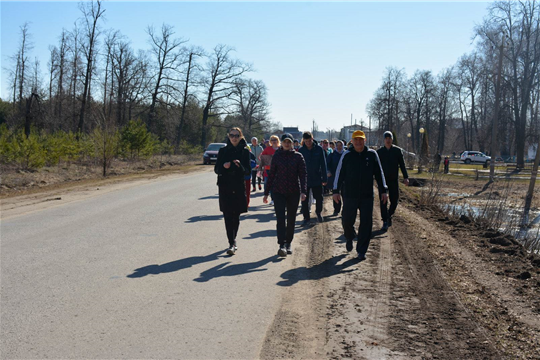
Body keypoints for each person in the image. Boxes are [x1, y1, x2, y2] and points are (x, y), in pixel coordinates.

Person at [333, 130, 388, 261]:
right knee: (346, 220)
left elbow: (379, 174)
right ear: (352, 141)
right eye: (356, 140)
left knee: (366, 223)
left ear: (365, 140)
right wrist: (335, 190)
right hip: (350, 195)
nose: (358, 142)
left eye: (361, 139)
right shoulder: (347, 155)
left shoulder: (372, 154)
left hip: (367, 196)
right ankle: (349, 236)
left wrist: (383, 190)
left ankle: (361, 251)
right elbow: (339, 173)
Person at [264, 133, 307, 257]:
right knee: (280, 218)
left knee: (291, 218)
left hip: (293, 192)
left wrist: (303, 191)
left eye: (289, 142)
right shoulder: (277, 156)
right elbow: (271, 174)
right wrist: (266, 193)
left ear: (292, 143)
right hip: (278, 191)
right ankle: (281, 244)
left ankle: (288, 243)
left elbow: (303, 175)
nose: (287, 144)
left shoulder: (298, 157)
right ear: (281, 143)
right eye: (285, 142)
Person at [215, 127, 251, 255]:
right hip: (225, 186)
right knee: (227, 214)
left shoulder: (245, 151)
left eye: (236, 135)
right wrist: (224, 166)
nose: (234, 138)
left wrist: (240, 165)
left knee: (236, 215)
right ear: (228, 136)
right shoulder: (223, 151)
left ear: (240, 136)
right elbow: (216, 169)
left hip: (238, 186)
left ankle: (233, 239)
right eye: (232, 135)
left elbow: (248, 171)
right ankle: (231, 242)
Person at [376, 131, 409, 231]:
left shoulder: (397, 151)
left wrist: (405, 177)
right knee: (383, 201)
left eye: (389, 138)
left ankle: (389, 215)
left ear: (392, 139)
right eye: (386, 138)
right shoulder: (379, 152)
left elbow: (402, 165)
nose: (388, 140)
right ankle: (385, 221)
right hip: (383, 181)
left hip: (394, 179)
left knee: (394, 200)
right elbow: (376, 167)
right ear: (384, 139)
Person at [298, 131, 328, 225]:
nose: (308, 143)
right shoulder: (301, 150)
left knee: (319, 198)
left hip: (317, 177)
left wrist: (325, 178)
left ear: (312, 138)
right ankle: (306, 217)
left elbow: (323, 164)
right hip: (305, 178)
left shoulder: (319, 149)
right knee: (305, 200)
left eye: (309, 140)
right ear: (304, 140)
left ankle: (318, 212)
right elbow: (299, 166)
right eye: (306, 141)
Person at [260, 135, 280, 206]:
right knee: (270, 185)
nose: (274, 141)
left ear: (278, 141)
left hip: (279, 170)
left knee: (278, 185)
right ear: (270, 141)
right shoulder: (267, 149)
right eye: (272, 140)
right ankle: (273, 199)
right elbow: (261, 157)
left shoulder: (281, 149)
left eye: (275, 140)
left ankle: (279, 199)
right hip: (269, 169)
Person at [327, 140, 345, 216]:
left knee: (345, 195)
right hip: (335, 178)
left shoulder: (346, 154)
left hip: (345, 179)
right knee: (335, 194)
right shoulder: (332, 155)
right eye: (337, 145)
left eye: (340, 145)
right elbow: (327, 164)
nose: (339, 147)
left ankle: (344, 211)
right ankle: (336, 210)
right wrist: (328, 171)